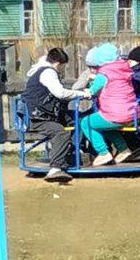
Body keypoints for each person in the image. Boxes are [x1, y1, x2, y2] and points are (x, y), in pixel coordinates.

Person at [21, 47, 90, 182]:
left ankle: (71, 154)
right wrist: (83, 94)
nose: (63, 69)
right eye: (63, 66)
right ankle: (55, 168)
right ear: (58, 63)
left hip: (45, 113)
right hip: (38, 117)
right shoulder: (48, 72)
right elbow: (60, 93)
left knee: (79, 119)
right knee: (60, 133)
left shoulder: (41, 70)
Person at [79, 43, 139, 167]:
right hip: (133, 114)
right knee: (104, 125)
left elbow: (92, 91)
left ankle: (103, 153)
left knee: (86, 122)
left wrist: (89, 86)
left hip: (116, 115)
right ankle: (123, 149)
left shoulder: (104, 74)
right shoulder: (124, 70)